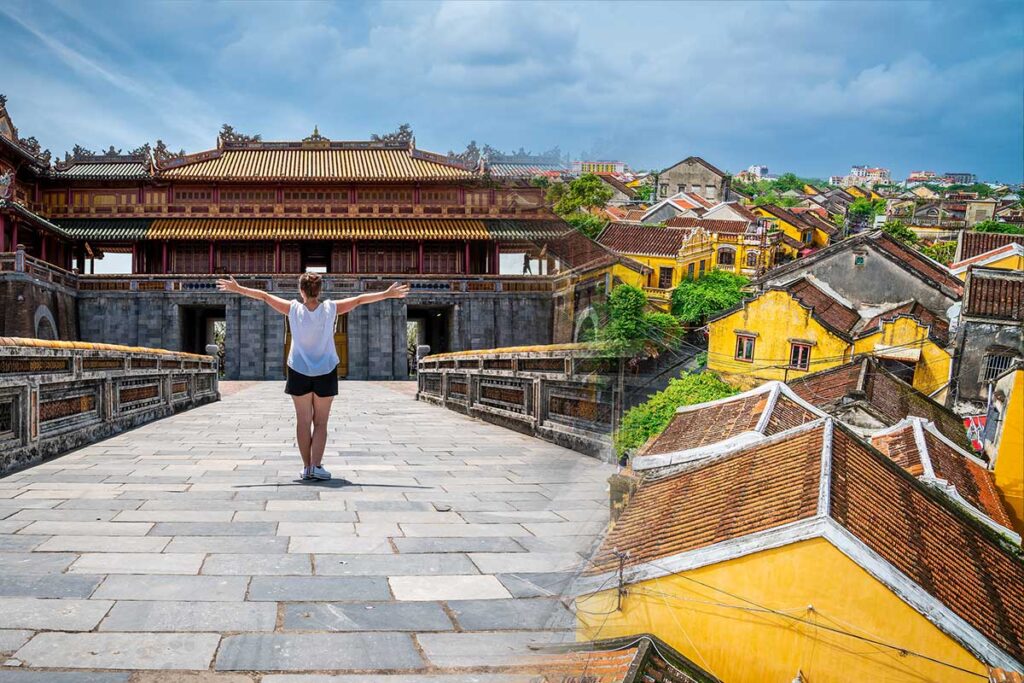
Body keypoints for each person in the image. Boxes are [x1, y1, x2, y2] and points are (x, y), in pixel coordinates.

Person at [216, 272, 409, 480]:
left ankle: (307, 467)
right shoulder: (331, 308)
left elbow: (264, 296)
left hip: (298, 370)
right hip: (326, 370)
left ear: (301, 291)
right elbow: (361, 299)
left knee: (302, 421)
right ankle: (317, 466)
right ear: (320, 291)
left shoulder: (293, 308)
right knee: (320, 423)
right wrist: (387, 293)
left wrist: (238, 289)